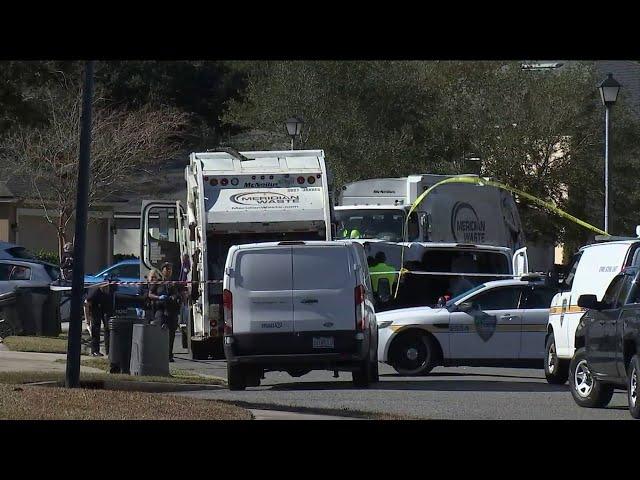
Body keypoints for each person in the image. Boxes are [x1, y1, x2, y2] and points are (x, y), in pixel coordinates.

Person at [85, 283, 114, 357]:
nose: (108, 288)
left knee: (108, 328)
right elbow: (86, 304)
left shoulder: (110, 292)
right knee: (95, 329)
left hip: (105, 308)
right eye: (106, 287)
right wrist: (87, 319)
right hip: (95, 309)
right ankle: (94, 351)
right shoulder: (95, 292)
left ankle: (109, 351)